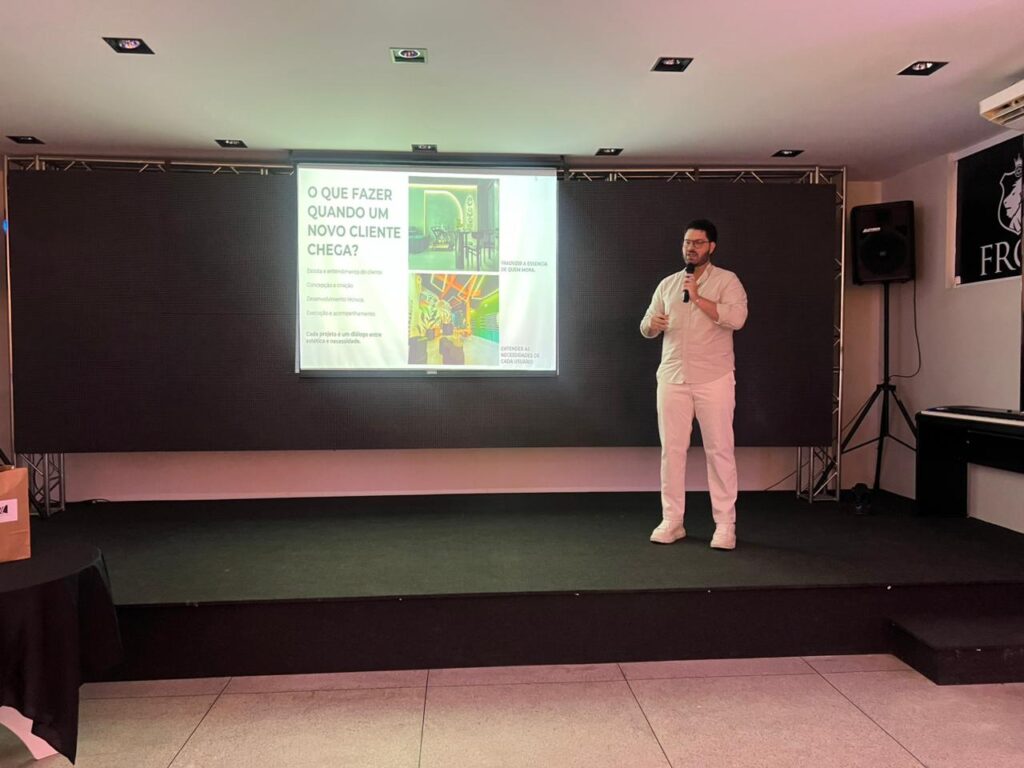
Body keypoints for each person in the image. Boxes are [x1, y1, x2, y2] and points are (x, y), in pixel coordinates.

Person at [640, 219, 748, 549]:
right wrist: (652, 324)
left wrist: (698, 298)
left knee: (719, 451)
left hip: (713, 378)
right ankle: (672, 521)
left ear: (711, 247)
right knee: (671, 452)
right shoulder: (668, 284)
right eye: (687, 242)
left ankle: (725, 525)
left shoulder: (727, 281)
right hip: (672, 377)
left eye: (698, 243)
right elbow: (646, 326)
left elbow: (737, 319)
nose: (691, 248)